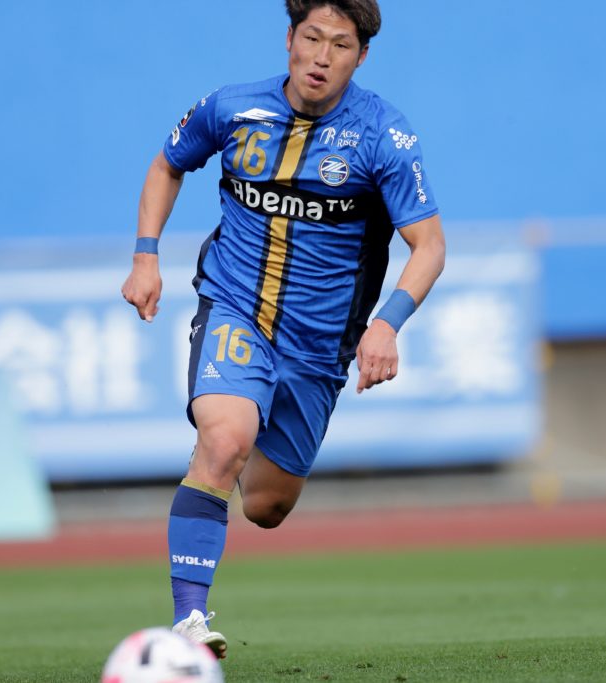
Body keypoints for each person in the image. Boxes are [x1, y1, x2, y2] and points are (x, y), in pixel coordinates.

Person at [121, 0, 445, 659]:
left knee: (267, 506)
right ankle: (189, 621)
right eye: (312, 38)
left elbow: (430, 245)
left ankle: (228, 462)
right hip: (234, 308)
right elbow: (167, 164)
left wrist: (386, 325)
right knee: (224, 438)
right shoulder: (231, 109)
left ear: (361, 56)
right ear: (290, 38)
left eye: (340, 45)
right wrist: (145, 256)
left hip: (318, 348)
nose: (322, 57)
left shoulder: (383, 136)